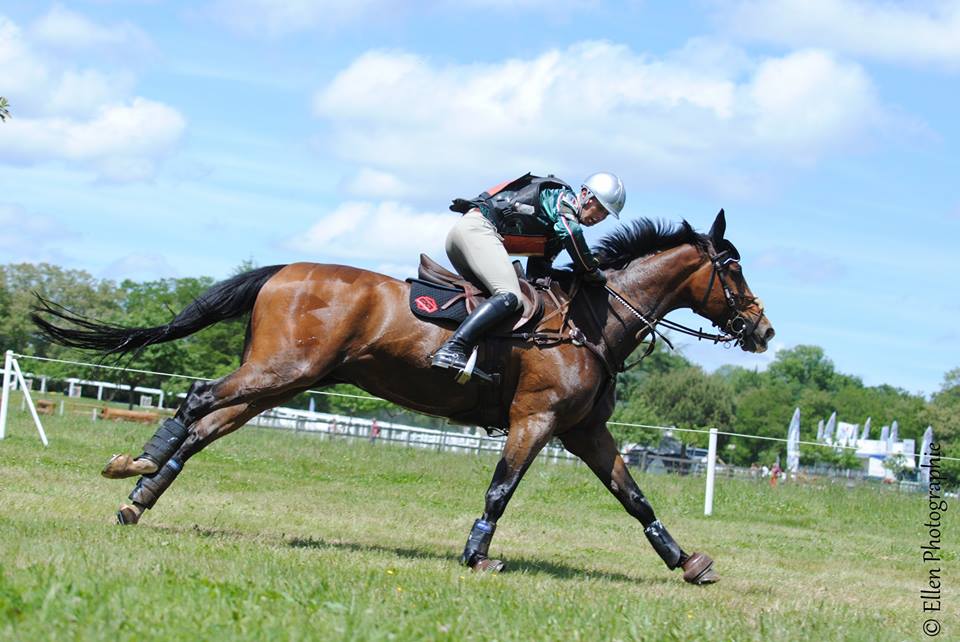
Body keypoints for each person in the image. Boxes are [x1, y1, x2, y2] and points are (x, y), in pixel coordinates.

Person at [431, 172, 625, 382]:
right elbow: (571, 233)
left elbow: (538, 272)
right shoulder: (562, 198)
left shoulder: (555, 227)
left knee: (498, 301)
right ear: (586, 195)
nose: (600, 217)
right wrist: (590, 269)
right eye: (601, 208)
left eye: (606, 214)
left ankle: (479, 355)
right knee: (509, 295)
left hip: (466, 236)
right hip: (475, 231)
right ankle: (453, 348)